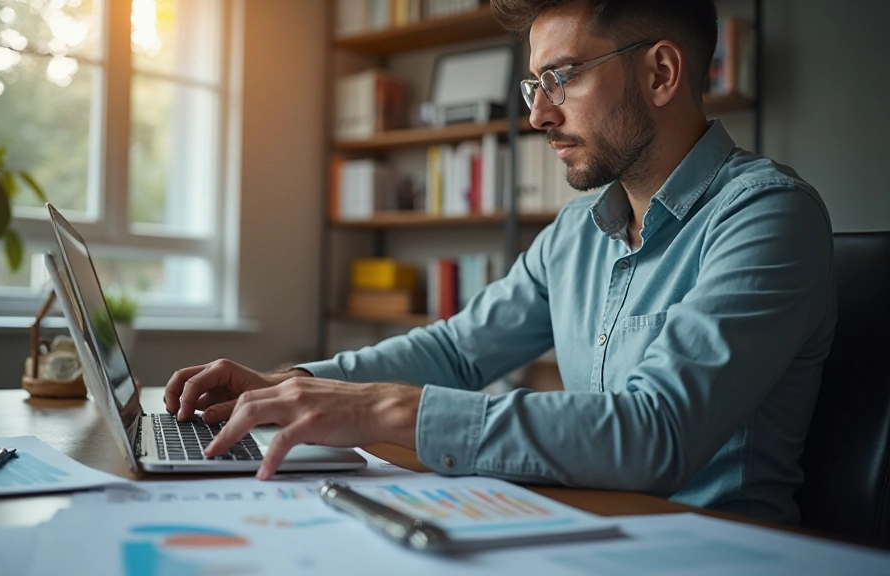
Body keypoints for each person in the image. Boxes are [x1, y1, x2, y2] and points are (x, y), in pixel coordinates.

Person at [164, 0, 835, 525]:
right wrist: (289, 384)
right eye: (534, 85)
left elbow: (655, 431)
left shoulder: (768, 217)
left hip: (717, 551)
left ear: (661, 72)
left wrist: (386, 410)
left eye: (563, 78)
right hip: (587, 527)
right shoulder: (576, 231)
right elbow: (459, 351)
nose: (540, 114)